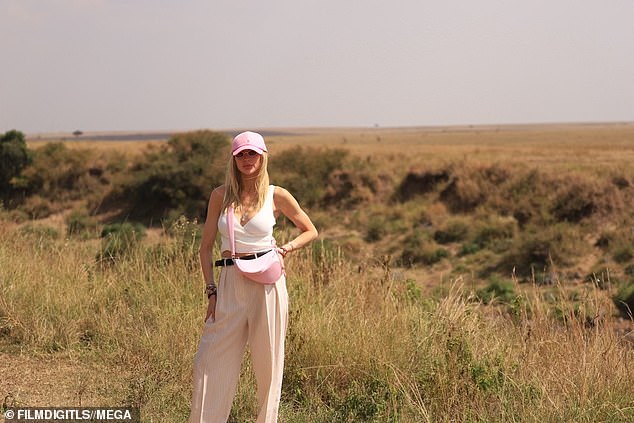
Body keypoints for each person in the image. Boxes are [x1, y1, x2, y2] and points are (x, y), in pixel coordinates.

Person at [189, 131, 318, 423]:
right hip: (230, 282)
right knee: (208, 362)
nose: (247, 159)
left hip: (268, 285)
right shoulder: (220, 196)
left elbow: (310, 230)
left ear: (263, 156)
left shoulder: (277, 194)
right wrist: (211, 291)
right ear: (233, 159)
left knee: (269, 366)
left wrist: (285, 249)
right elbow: (206, 247)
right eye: (241, 154)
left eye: (252, 153)